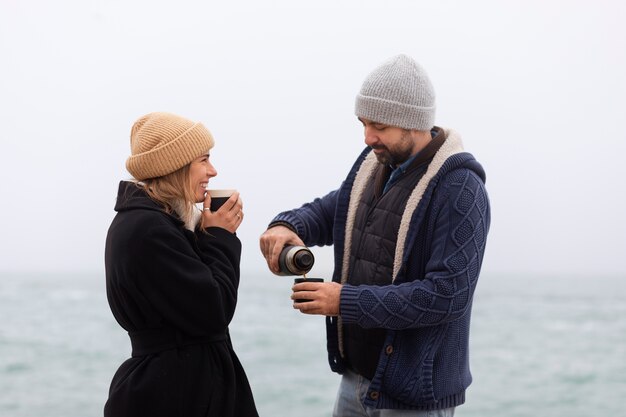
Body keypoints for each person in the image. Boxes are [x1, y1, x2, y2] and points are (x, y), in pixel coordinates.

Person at [259, 54, 491, 416]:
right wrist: (288, 225)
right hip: (355, 381)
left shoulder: (461, 188)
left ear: (412, 123)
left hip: (414, 396)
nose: (368, 137)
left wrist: (343, 302)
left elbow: (447, 295)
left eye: (378, 125)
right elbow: (335, 209)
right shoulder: (374, 163)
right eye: (363, 123)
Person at [104, 112, 258, 417]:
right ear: (174, 165)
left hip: (181, 386)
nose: (212, 171)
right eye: (203, 159)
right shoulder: (147, 229)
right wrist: (219, 236)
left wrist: (206, 234)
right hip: (173, 394)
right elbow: (214, 311)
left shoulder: (160, 222)